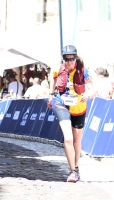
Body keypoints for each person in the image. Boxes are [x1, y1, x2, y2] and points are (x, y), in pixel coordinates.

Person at [47, 45, 96, 182]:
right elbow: (53, 77)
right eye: (66, 59)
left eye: (71, 59)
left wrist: (88, 95)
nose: (69, 62)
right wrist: (51, 95)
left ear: (75, 58)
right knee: (68, 138)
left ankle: (77, 167)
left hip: (79, 107)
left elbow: (94, 90)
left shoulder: (83, 71)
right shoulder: (58, 69)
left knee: (76, 140)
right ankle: (73, 171)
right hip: (62, 105)